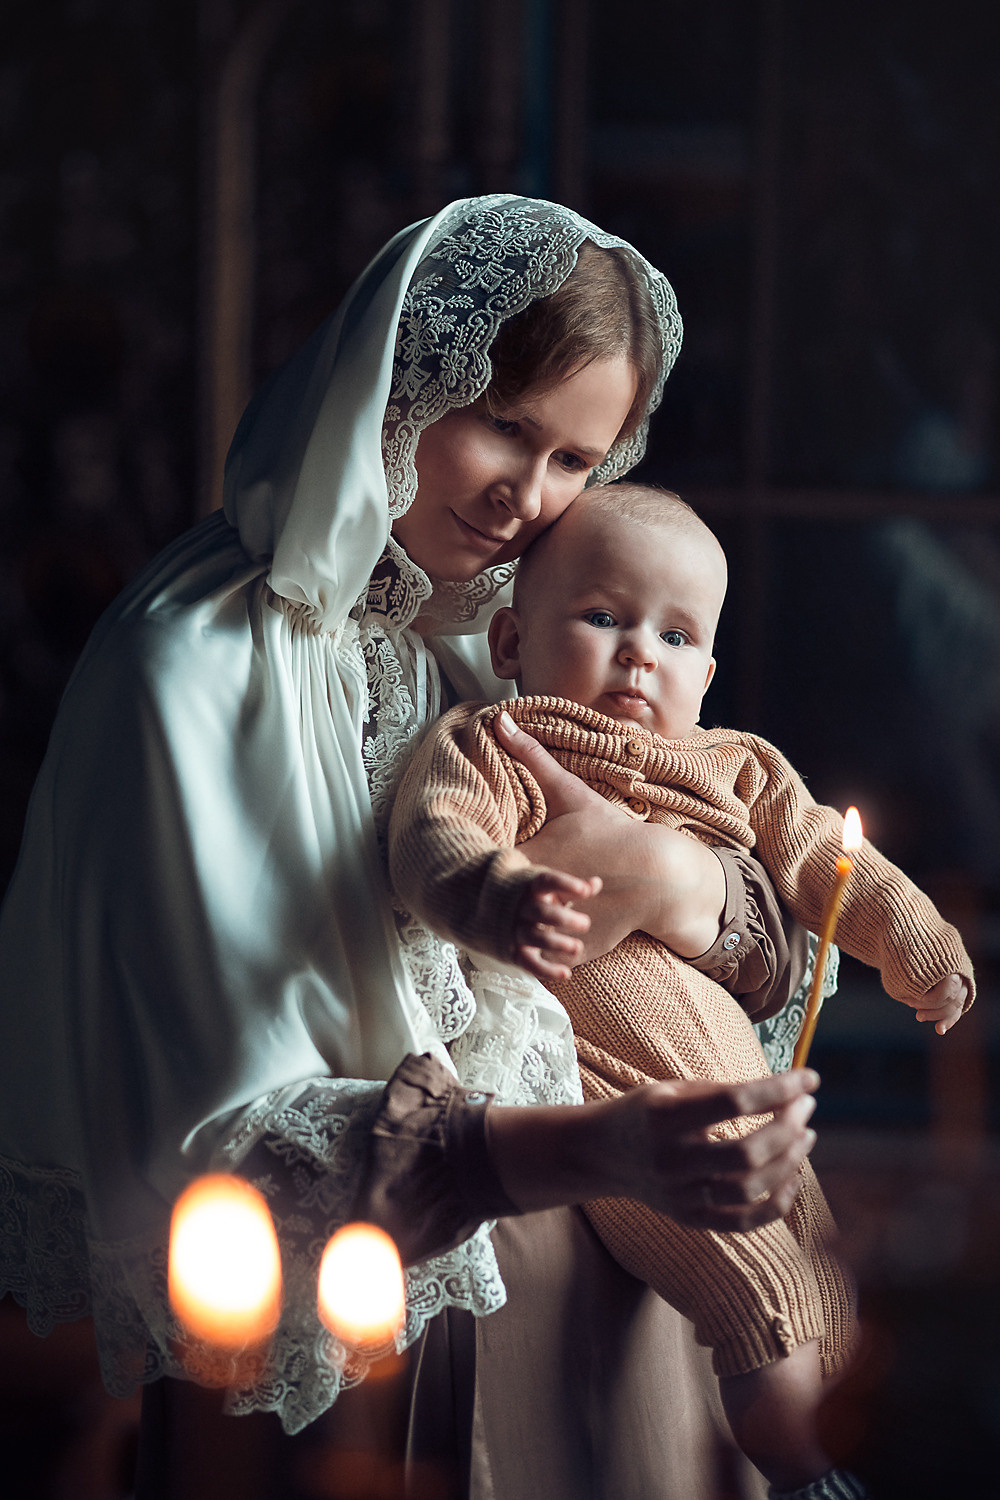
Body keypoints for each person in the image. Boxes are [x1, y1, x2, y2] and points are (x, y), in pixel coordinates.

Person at [0, 197, 822, 1500]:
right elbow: (214, 1157)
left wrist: (679, 879)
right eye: (504, 424)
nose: (526, 498)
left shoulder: (499, 643)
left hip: (629, 1332)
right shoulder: (188, 666)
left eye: (575, 459)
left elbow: (754, 944)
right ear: (394, 378)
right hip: (357, 1381)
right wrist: (596, 1148)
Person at [388, 481, 976, 1496]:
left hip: (740, 1084)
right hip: (623, 1100)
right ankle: (807, 1479)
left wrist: (921, 946)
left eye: (673, 635)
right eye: (602, 617)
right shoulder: (503, 742)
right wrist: (499, 896)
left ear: (705, 673)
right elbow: (432, 837)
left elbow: (832, 864)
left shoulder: (737, 767)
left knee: (822, 1274)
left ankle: (843, 1461)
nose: (637, 655)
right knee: (758, 1291)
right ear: (512, 642)